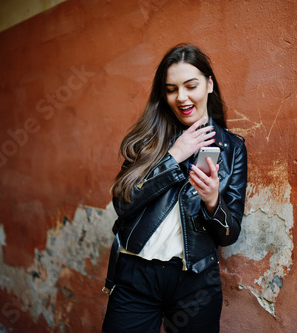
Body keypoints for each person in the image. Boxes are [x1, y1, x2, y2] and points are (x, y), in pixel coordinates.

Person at [102, 44, 247, 333]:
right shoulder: (148, 140)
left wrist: (212, 201)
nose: (181, 97)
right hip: (136, 276)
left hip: (195, 282)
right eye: (171, 89)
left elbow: (229, 234)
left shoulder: (232, 148)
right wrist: (172, 158)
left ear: (208, 84)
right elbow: (123, 204)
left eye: (190, 86)